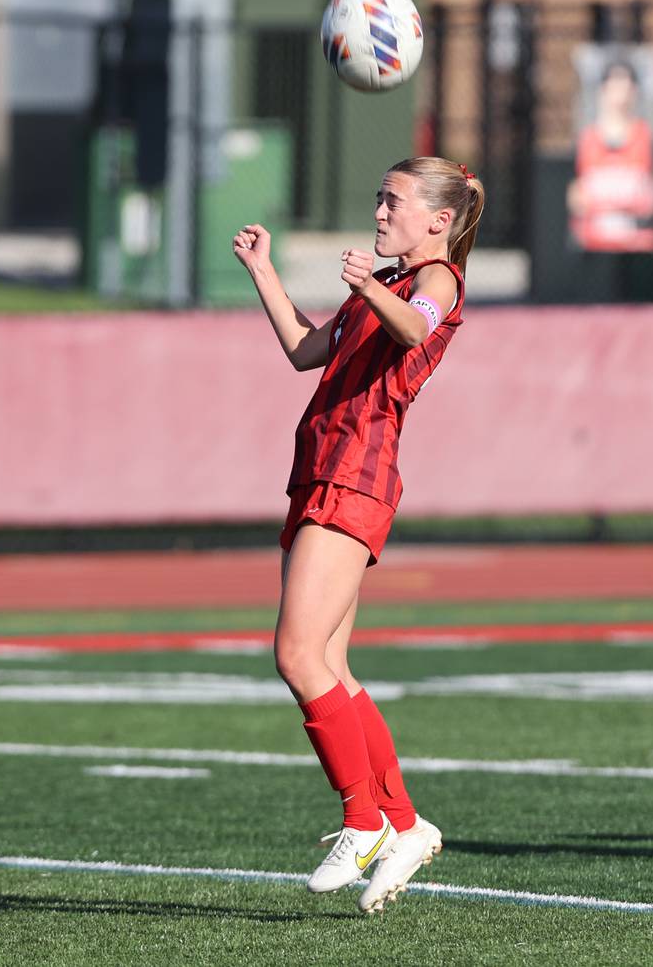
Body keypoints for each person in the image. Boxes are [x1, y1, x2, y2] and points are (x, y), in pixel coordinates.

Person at [232, 157, 484, 914]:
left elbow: (415, 330)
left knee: (297, 654)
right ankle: (404, 824)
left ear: (438, 219)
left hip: (357, 474)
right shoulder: (385, 284)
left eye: (393, 201)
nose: (380, 211)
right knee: (332, 664)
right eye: (378, 197)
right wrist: (264, 271)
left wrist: (370, 286)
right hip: (321, 468)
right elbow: (305, 351)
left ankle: (362, 817)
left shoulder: (433, 280)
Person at [567, 60, 653, 252]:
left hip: (636, 236)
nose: (620, 94)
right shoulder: (587, 138)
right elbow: (576, 195)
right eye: (614, 86)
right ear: (603, 91)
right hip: (593, 235)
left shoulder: (646, 136)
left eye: (626, 87)